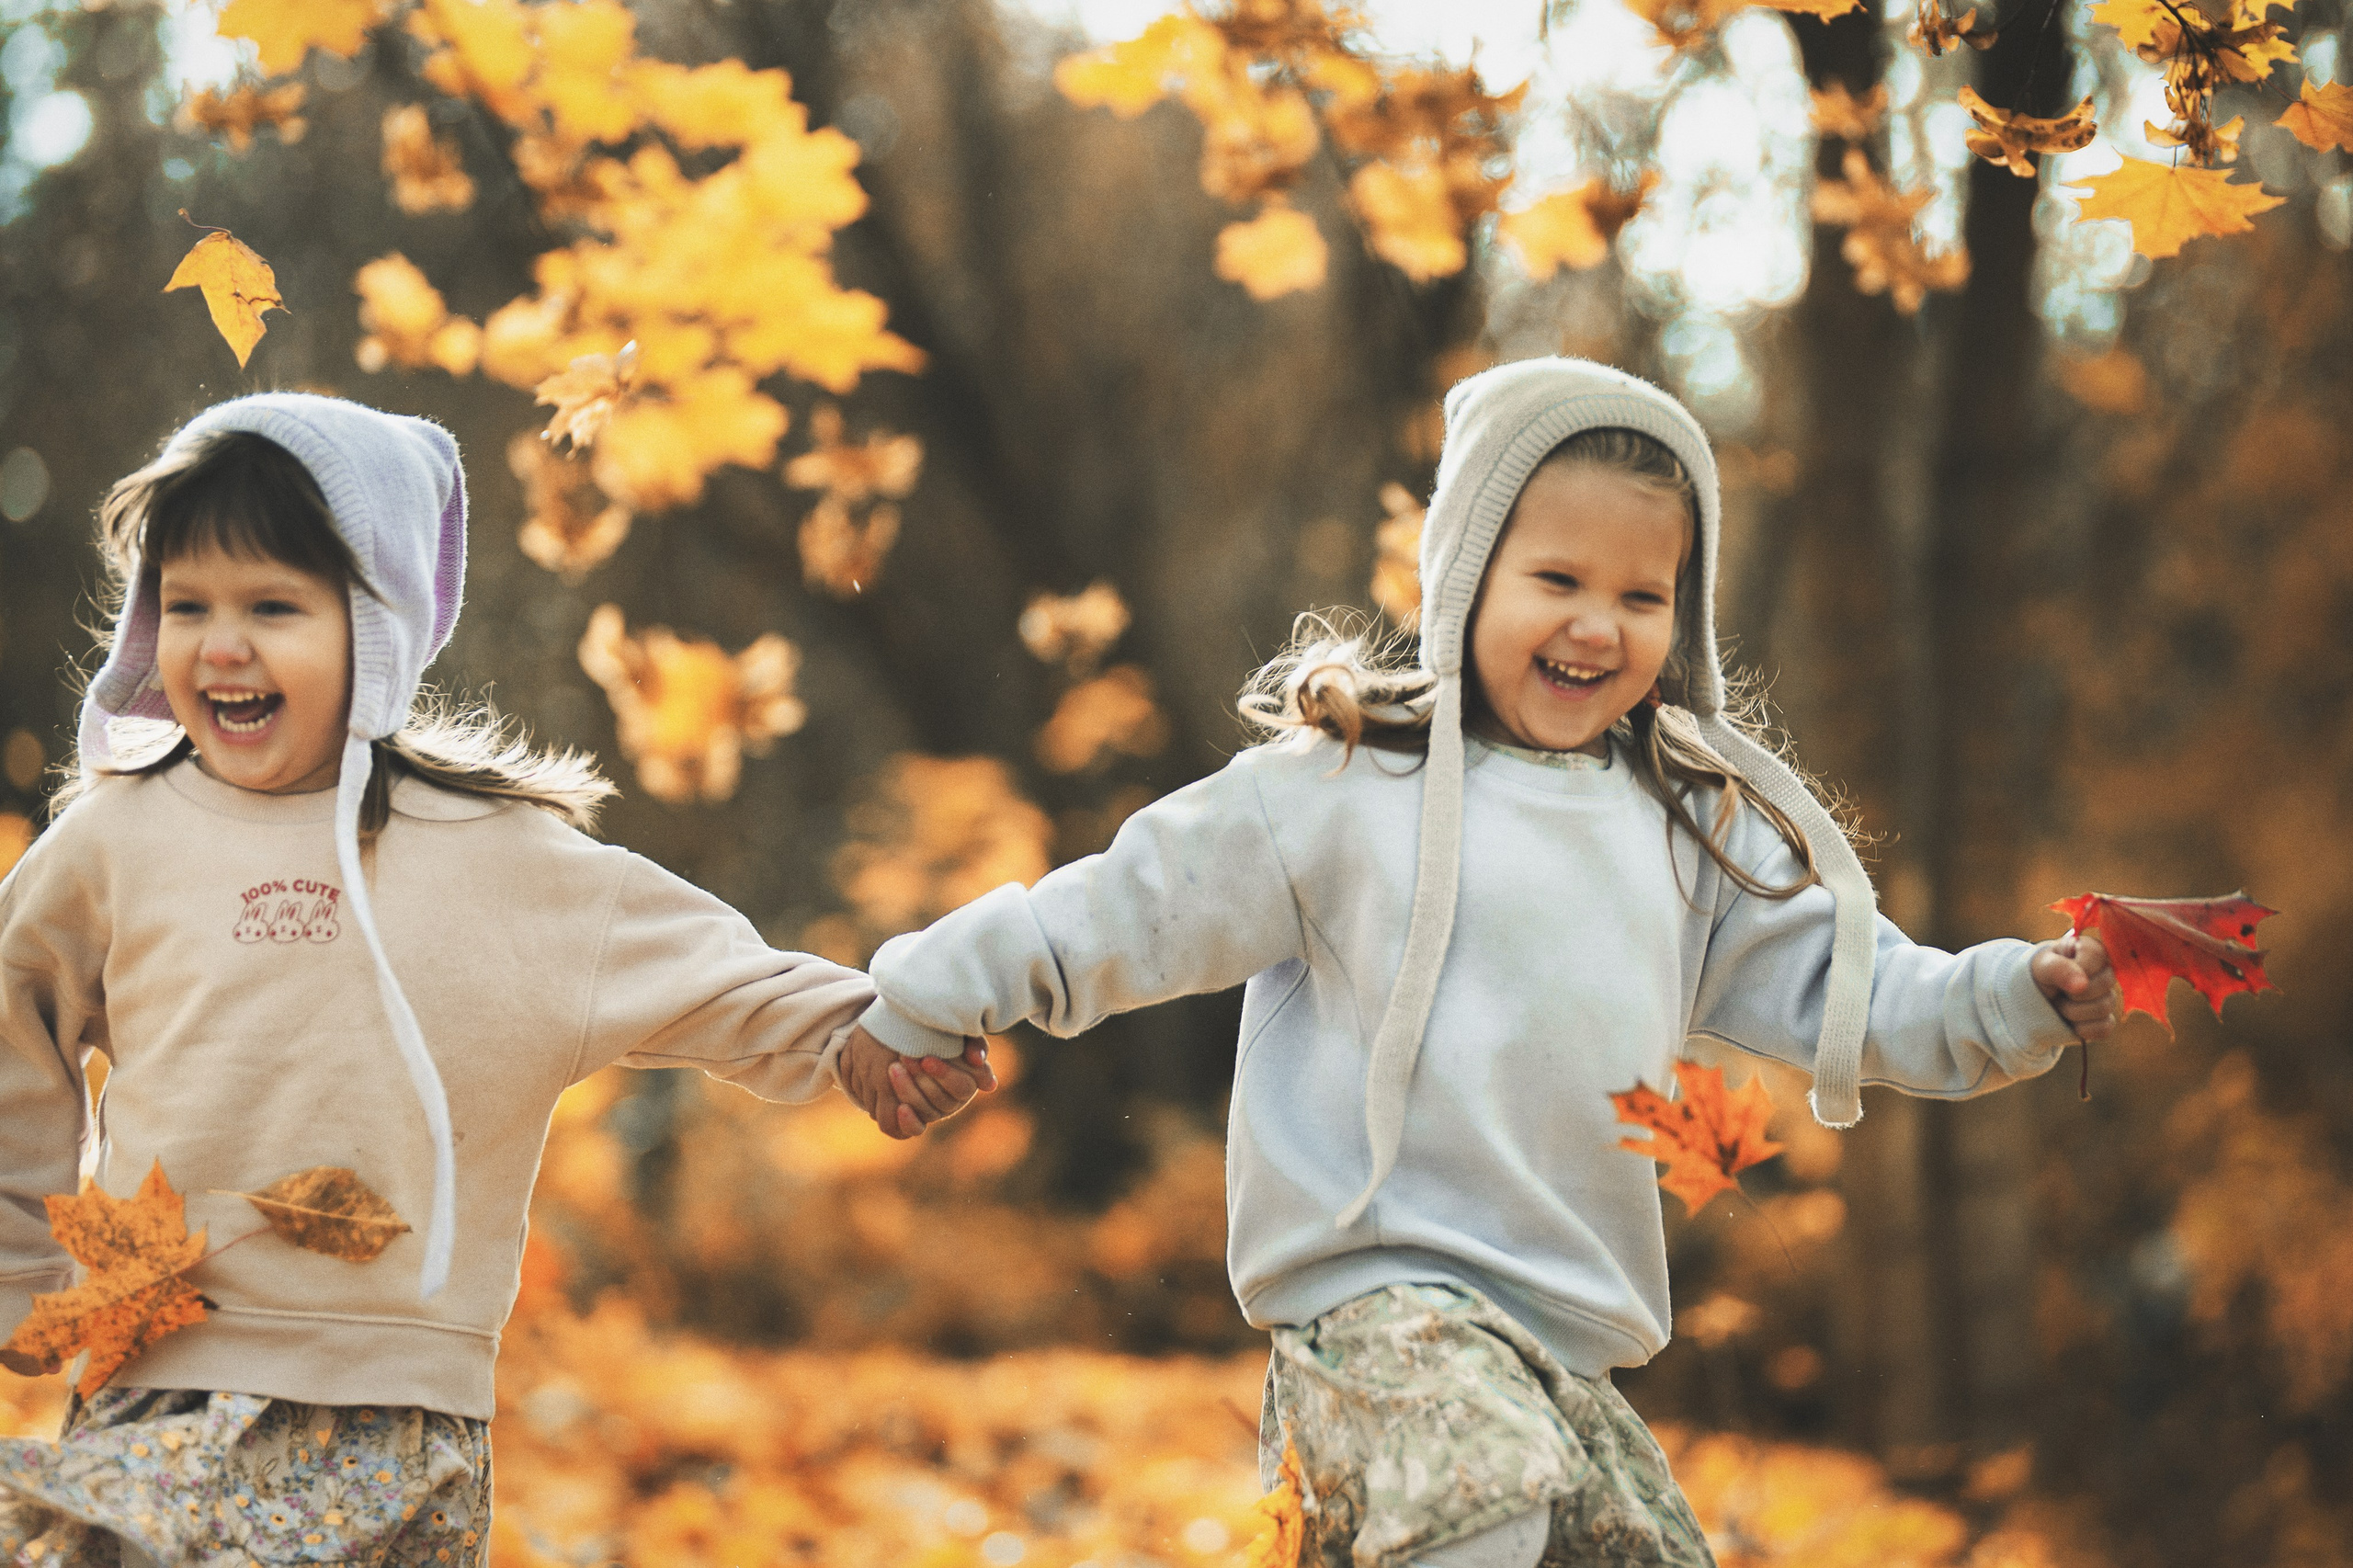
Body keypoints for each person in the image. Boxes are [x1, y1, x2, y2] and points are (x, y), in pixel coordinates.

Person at [847, 358, 2120, 1568]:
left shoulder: (1688, 828)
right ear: (1465, 577)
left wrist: (2015, 993)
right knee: (1481, 1492)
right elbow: (1125, 905)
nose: (1595, 625)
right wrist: (927, 994)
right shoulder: (1343, 790)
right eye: (1555, 578)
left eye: (1641, 595)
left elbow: (1858, 989)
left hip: (1570, 1339)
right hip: (1376, 1310)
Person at [0, 393, 983, 1567]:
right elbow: (17, 1020)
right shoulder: (120, 840)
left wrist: (860, 1036)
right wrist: (21, 1258)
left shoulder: (506, 861)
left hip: (402, 1416)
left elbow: (717, 972)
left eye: (273, 606)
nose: (221, 645)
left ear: (376, 627)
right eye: (189, 604)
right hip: (157, 1384)